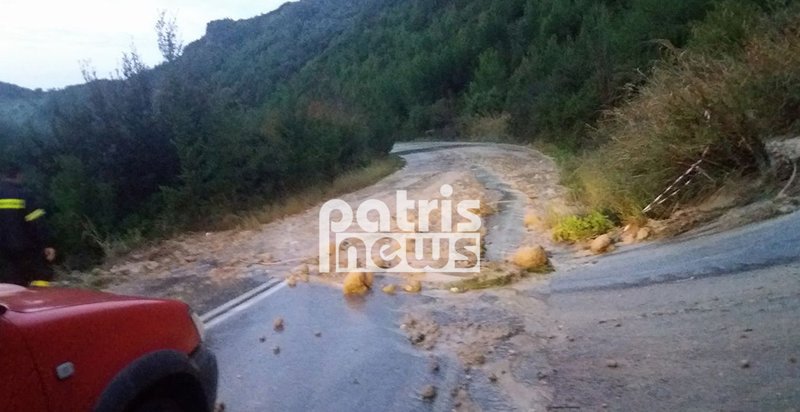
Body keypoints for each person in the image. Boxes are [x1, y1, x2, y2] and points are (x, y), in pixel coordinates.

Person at [0, 164, 56, 286]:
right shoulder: (25, 194)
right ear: (19, 175)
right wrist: (47, 244)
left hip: (2, 253)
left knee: (6, 286)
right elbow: (37, 223)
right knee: (35, 278)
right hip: (24, 249)